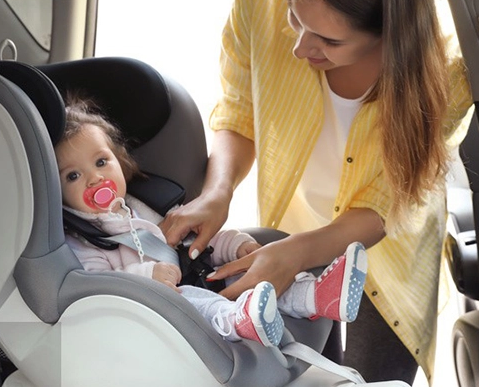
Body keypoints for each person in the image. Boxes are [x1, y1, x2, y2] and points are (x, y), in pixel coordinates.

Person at [162, 0, 474, 385]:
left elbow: (384, 204)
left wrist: (299, 253)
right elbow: (240, 112)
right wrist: (217, 193)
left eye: (329, 40)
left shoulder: (447, 76)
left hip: (388, 260)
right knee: (302, 374)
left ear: (387, 36)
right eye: (295, 17)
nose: (300, 47)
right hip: (289, 231)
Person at [54, 95, 368, 348]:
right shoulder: (83, 239)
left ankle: (317, 297)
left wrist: (236, 246)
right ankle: (237, 322)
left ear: (120, 162)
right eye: (73, 175)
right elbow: (96, 289)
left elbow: (197, 239)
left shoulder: (143, 207)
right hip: (159, 310)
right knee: (194, 298)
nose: (95, 178)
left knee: (247, 273)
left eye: (101, 162)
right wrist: (148, 274)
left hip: (195, 276)